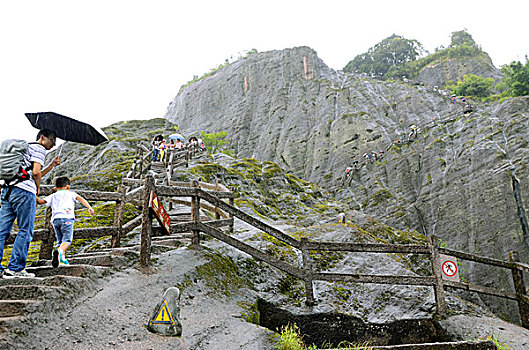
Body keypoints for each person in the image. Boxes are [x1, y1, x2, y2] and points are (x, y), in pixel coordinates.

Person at [0, 129, 60, 278]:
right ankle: (15, 268)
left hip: (8, 190)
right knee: (25, 230)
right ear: (42, 137)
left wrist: (52, 165)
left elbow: (30, 172)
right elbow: (35, 173)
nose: (54, 144)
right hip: (24, 193)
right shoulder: (39, 148)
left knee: (2, 230)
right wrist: (37, 190)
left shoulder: (25, 148)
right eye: (52, 139)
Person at [37, 176, 94, 267]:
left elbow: (40, 201)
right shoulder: (71, 194)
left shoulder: (53, 195)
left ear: (55, 188)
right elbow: (81, 199)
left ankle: (62, 260)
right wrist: (89, 207)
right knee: (67, 240)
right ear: (68, 187)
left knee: (60, 241)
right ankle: (59, 252)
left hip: (55, 220)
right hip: (67, 219)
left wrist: (34, 194)